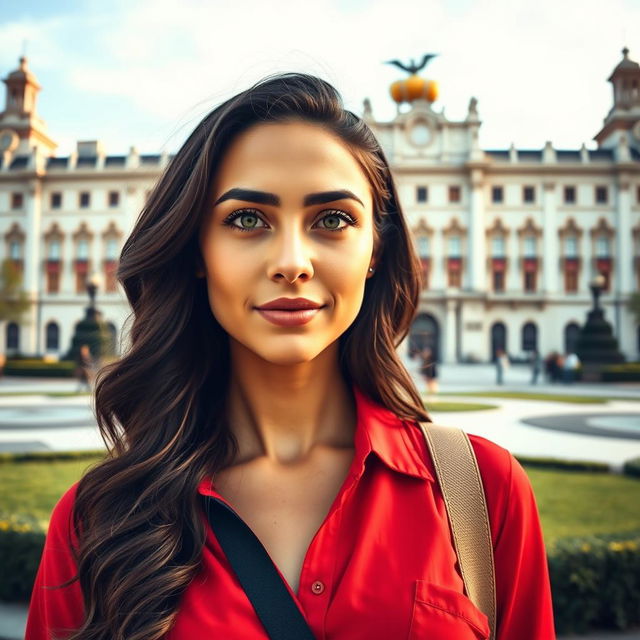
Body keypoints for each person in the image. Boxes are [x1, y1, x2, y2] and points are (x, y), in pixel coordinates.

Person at [25, 73, 555, 639]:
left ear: (376, 250)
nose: (292, 262)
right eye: (247, 219)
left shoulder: (482, 492)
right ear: (197, 249)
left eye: (333, 219)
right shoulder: (97, 519)